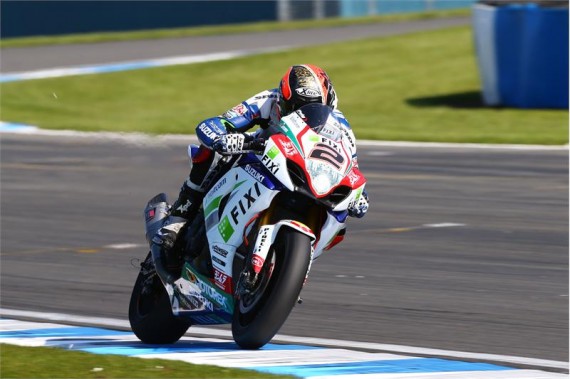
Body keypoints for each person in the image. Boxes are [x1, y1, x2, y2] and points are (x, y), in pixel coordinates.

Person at [152, 64, 369, 265]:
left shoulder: (340, 125)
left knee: (339, 218)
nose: (302, 114)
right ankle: (178, 217)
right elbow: (218, 123)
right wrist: (222, 137)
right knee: (213, 154)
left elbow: (350, 164)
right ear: (284, 99)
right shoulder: (268, 99)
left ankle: (286, 267)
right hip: (259, 158)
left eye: (312, 108)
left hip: (303, 175)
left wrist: (360, 195)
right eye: (295, 107)